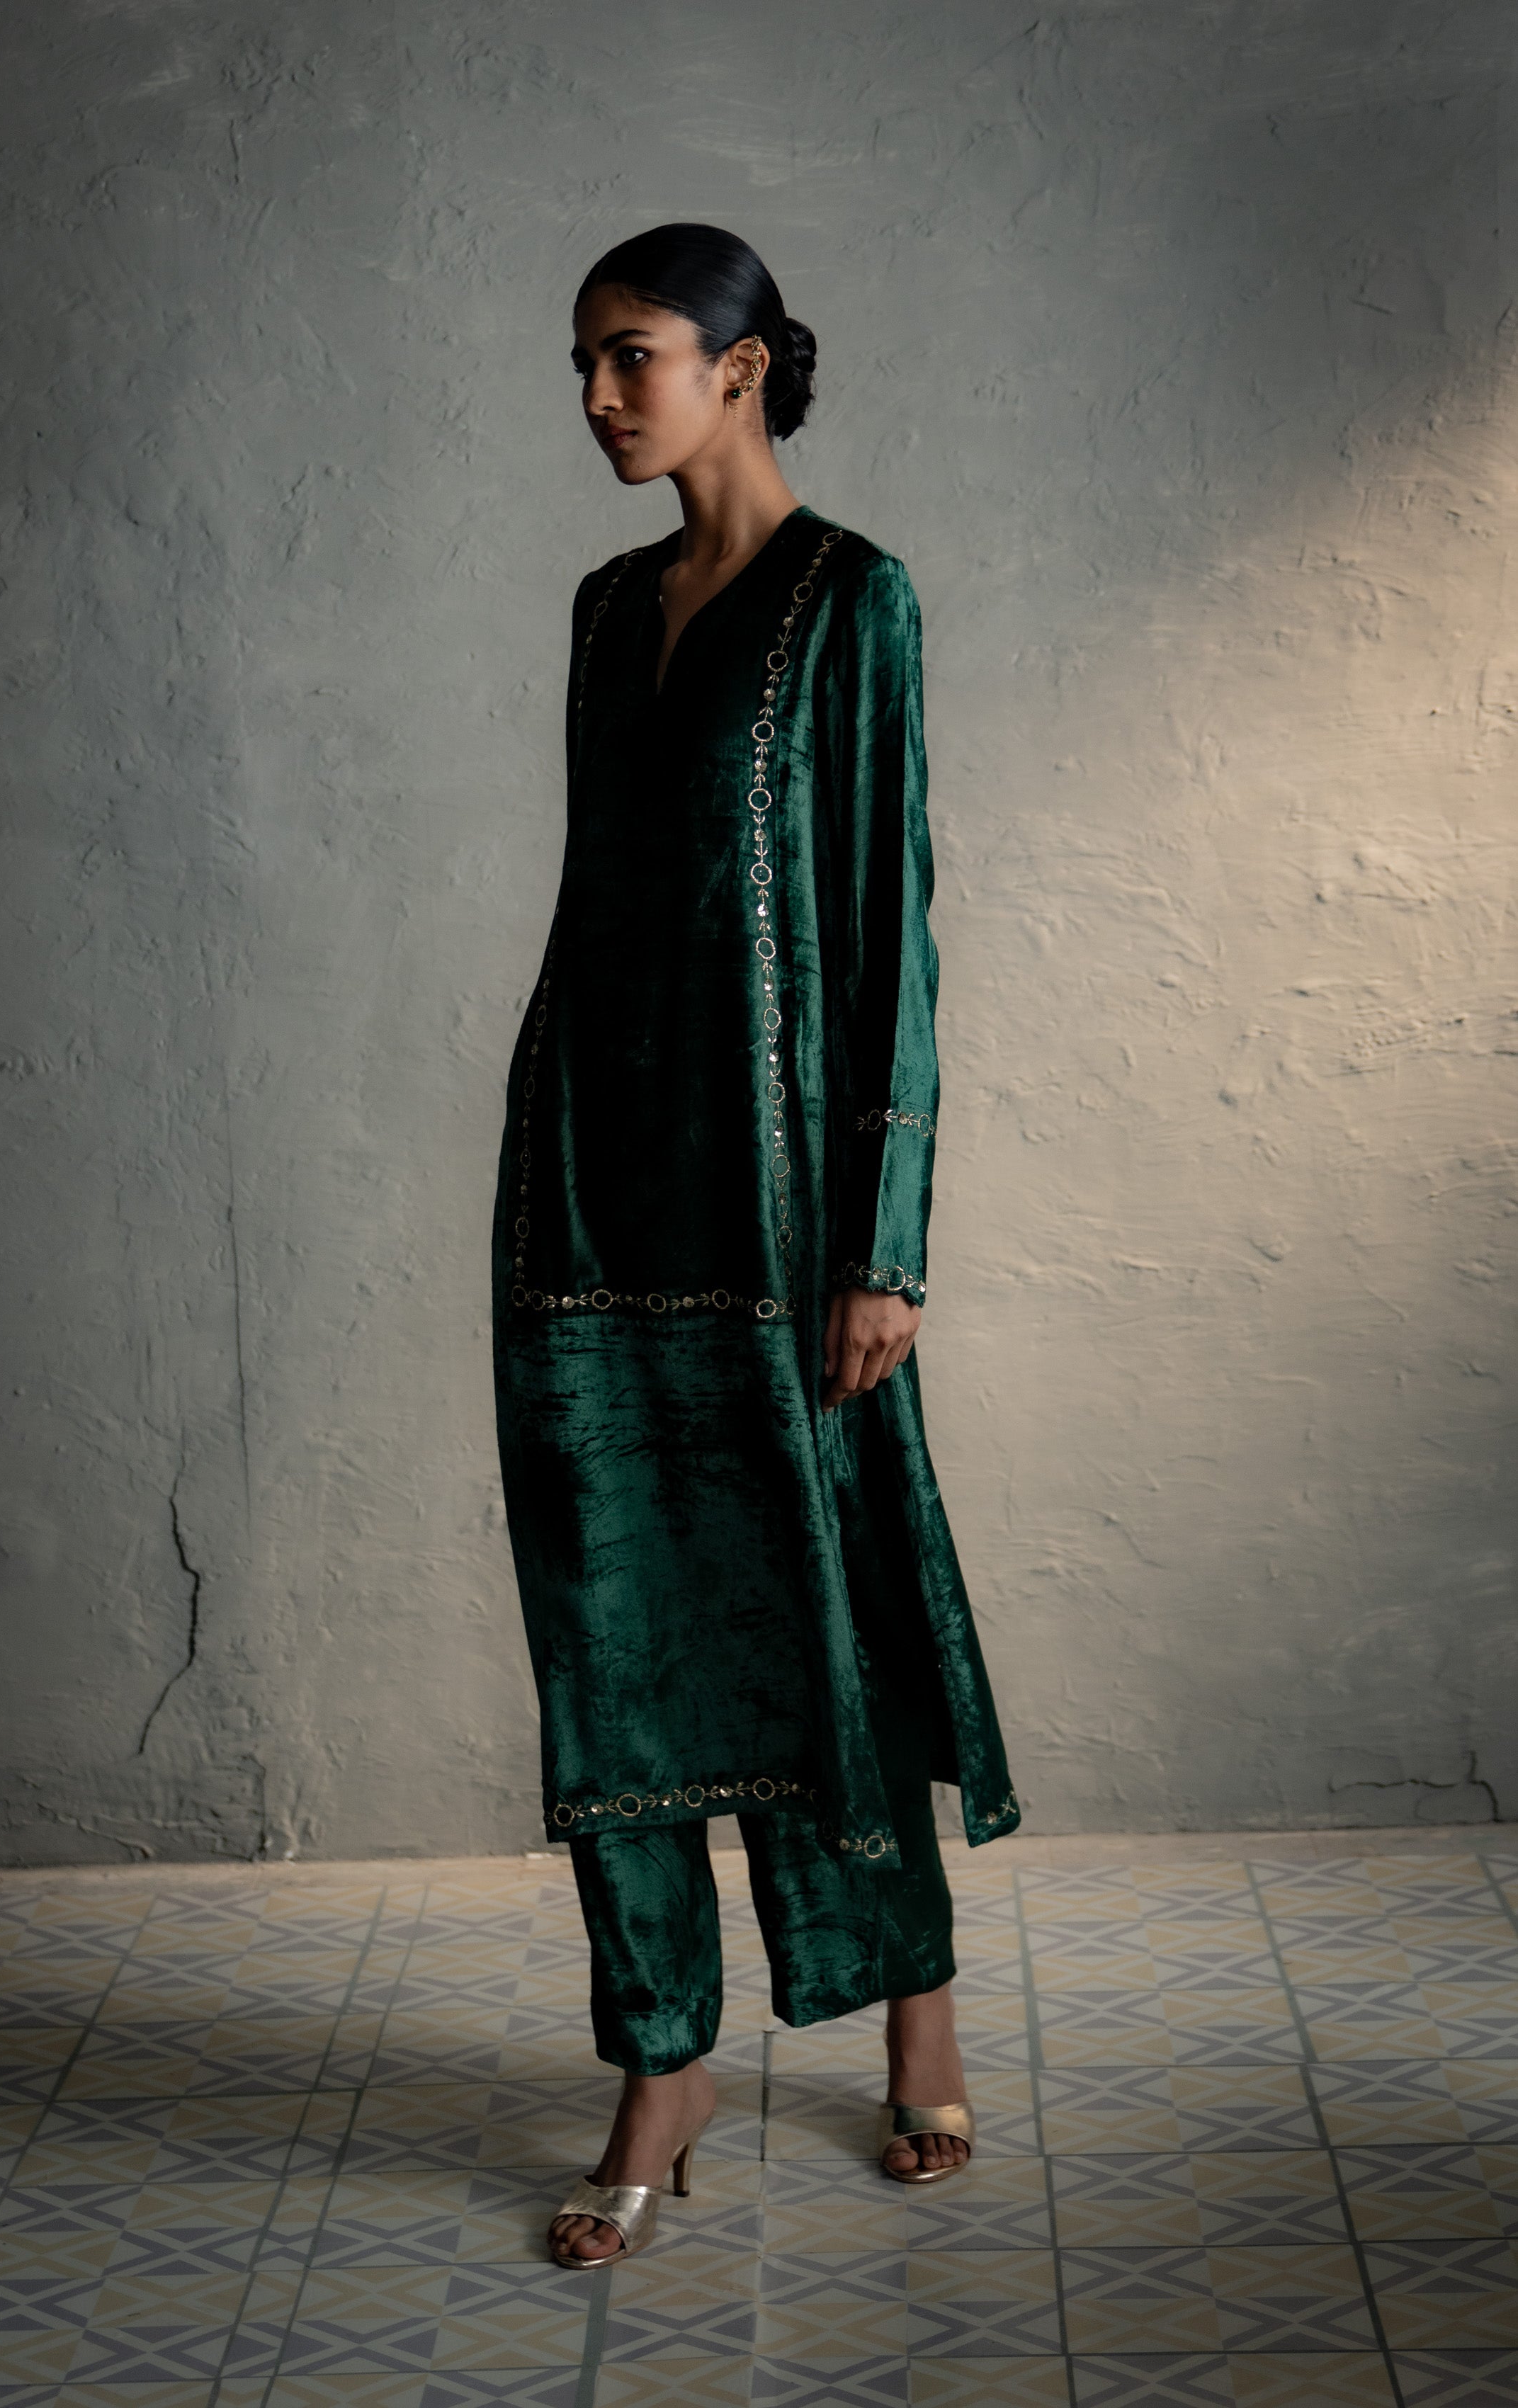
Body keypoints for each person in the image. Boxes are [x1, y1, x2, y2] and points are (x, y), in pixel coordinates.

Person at [491, 223, 1019, 2269]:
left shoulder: (853, 597)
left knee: (832, 1594)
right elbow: (600, 893)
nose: (597, 398)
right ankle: (661, 2064)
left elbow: (889, 924)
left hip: (787, 1206)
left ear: (741, 365)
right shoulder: (603, 608)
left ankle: (916, 2004)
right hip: (585, 1171)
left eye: (629, 356)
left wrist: (885, 1241)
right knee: (607, 1630)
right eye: (582, 363)